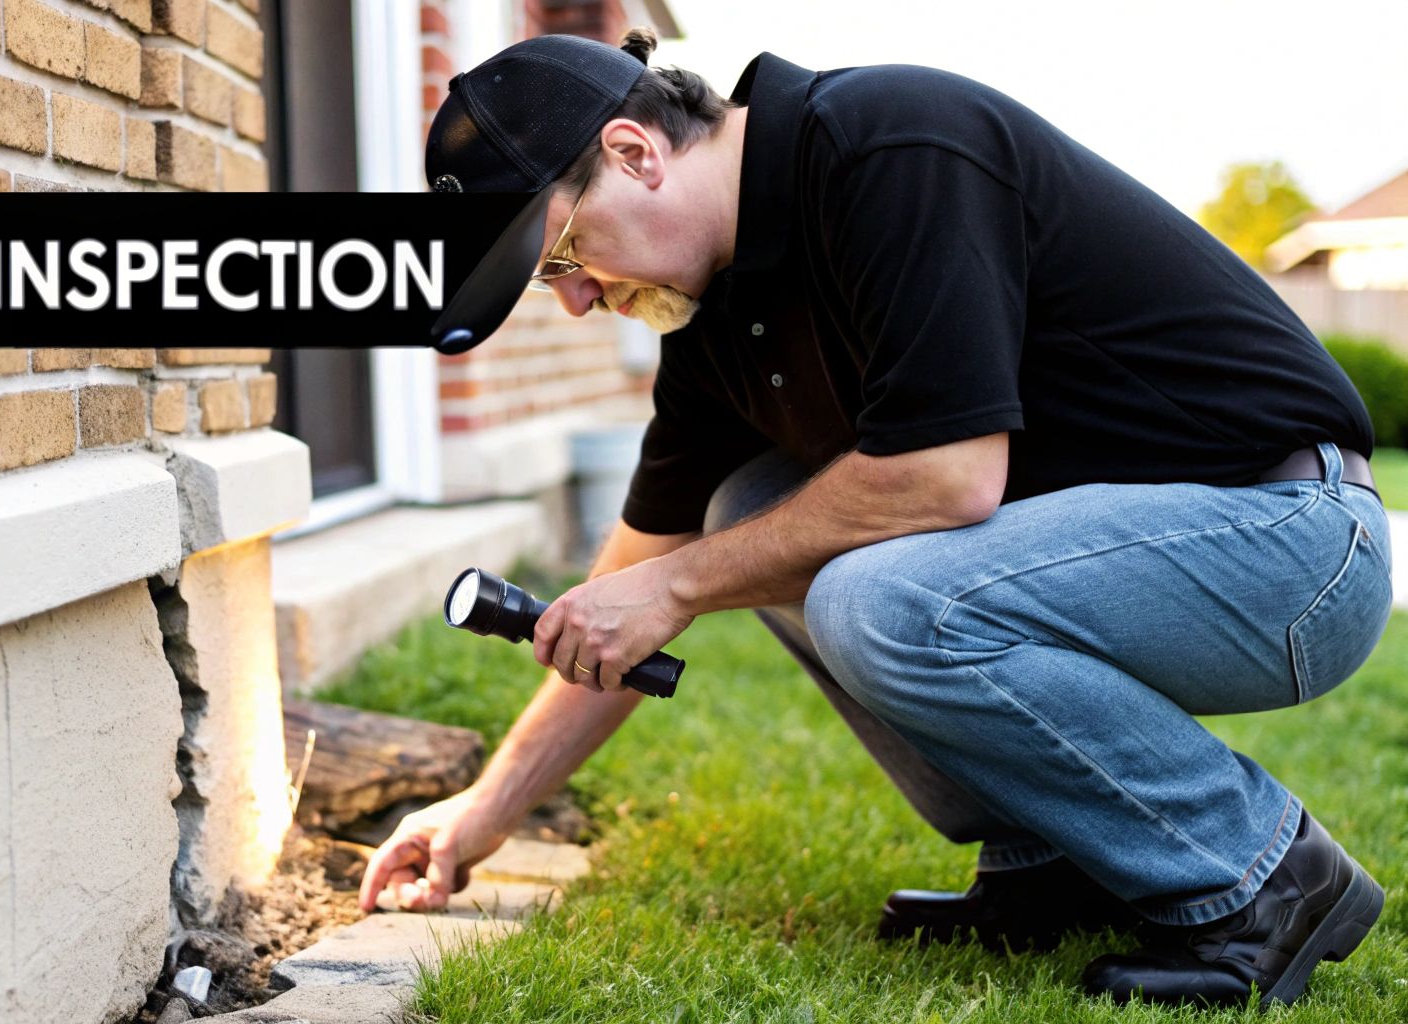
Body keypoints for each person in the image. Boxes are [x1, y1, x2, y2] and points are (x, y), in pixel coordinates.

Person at [363, 28, 1394, 1009]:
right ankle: (1057, 861)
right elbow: (614, 599)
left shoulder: (887, 143)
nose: (578, 300)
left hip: (1289, 538)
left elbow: (947, 479)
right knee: (748, 511)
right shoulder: (712, 329)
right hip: (1149, 552)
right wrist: (479, 816)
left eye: (562, 256)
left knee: (866, 592)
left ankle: (1262, 872)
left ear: (632, 154)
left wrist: (678, 584)